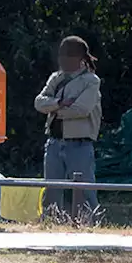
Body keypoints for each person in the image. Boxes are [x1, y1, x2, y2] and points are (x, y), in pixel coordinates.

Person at [34, 36, 102, 215]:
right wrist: (60, 103)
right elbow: (39, 102)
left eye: (68, 56)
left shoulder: (91, 81)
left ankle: (91, 223)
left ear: (80, 59)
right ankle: (50, 223)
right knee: (52, 190)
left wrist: (54, 109)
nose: (63, 61)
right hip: (54, 141)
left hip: (79, 143)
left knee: (85, 190)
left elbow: (81, 109)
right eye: (61, 56)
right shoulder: (56, 78)